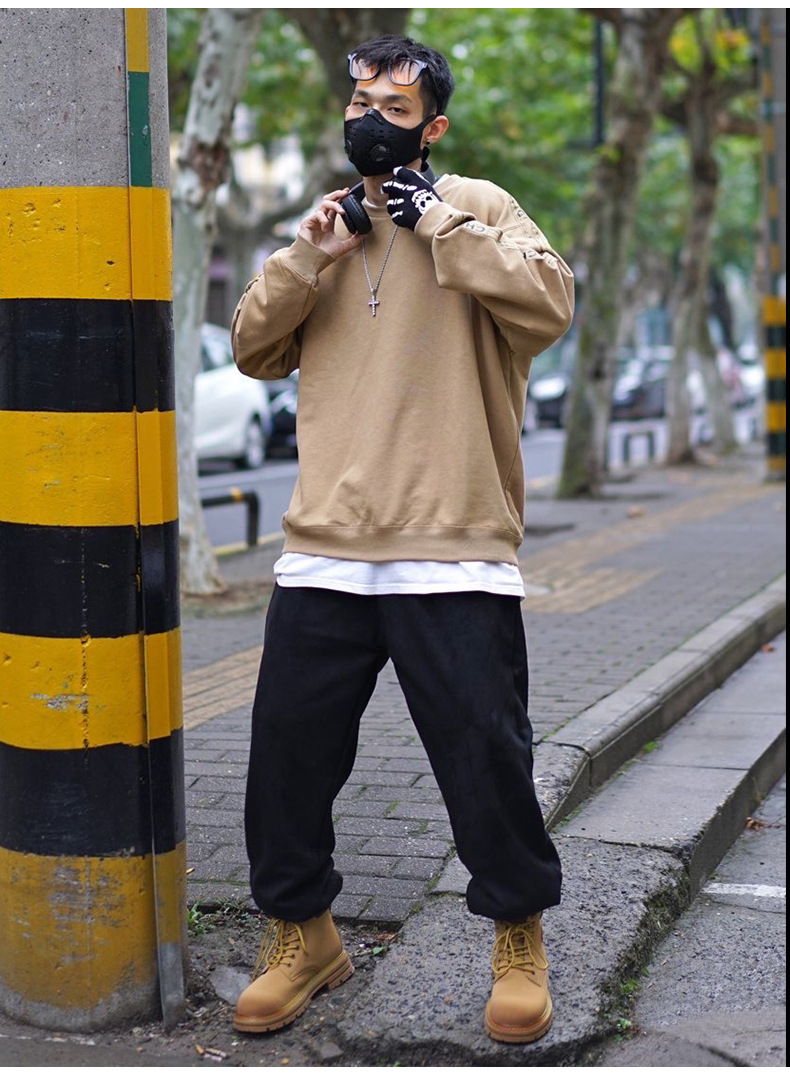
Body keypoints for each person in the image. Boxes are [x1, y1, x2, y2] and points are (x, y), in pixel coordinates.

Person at [230, 34, 574, 1044]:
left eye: (393, 104)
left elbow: (550, 303)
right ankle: (304, 935)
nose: (370, 117)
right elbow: (252, 347)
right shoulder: (327, 227)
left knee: (486, 759)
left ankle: (517, 935)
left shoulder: (482, 205)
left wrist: (439, 224)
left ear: (433, 126)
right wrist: (311, 255)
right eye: (360, 101)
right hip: (325, 550)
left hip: (453, 544)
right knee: (285, 760)